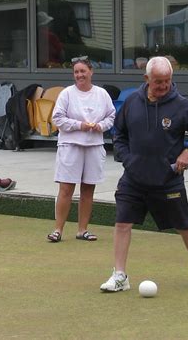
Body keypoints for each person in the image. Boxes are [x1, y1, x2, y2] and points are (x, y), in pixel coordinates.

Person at [100, 56, 188, 292]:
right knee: (122, 222)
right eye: (158, 82)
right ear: (146, 79)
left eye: (167, 81)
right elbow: (118, 135)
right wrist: (128, 159)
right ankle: (120, 275)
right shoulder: (132, 102)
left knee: (184, 224)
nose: (163, 86)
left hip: (167, 180)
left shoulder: (182, 105)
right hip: (134, 178)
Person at [47, 56, 115, 243]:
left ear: (91, 72)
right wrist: (79, 125)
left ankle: (82, 230)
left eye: (83, 71)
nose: (79, 75)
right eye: (76, 72)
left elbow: (111, 116)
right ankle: (58, 230)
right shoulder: (67, 94)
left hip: (94, 146)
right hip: (70, 146)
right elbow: (57, 118)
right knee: (66, 189)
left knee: (88, 190)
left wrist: (100, 126)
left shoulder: (101, 94)